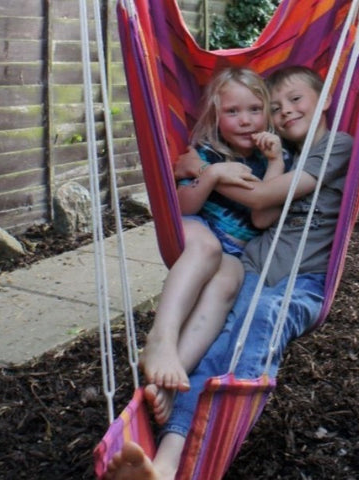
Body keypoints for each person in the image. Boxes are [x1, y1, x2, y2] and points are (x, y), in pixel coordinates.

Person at [104, 66, 353, 480]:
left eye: (294, 100)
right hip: (252, 270)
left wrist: (211, 173)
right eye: (276, 106)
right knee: (216, 346)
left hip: (299, 282)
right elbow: (247, 213)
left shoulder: (332, 146)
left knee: (254, 325)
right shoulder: (263, 153)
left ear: (325, 99)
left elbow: (262, 202)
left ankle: (195, 461)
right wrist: (211, 169)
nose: (285, 111)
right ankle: (166, 458)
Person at [140, 67, 288, 424]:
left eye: (255, 109)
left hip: (235, 250)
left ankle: (171, 376)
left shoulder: (271, 158)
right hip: (196, 229)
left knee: (228, 283)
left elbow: (262, 218)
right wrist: (213, 173)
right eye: (232, 112)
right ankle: (161, 339)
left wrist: (275, 161)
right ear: (215, 116)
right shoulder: (204, 152)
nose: (245, 120)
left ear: (268, 112)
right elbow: (184, 206)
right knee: (206, 249)